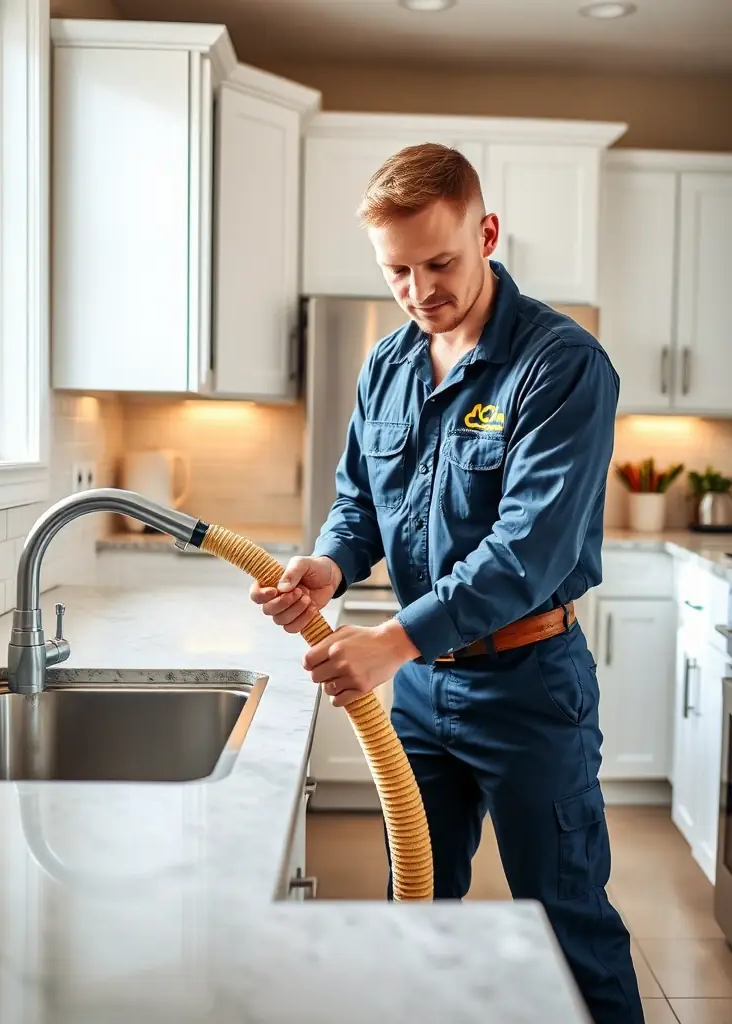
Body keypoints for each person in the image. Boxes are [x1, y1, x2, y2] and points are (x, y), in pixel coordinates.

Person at [249, 143, 643, 1024]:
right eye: (398, 270)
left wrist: (389, 642)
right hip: (424, 688)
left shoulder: (560, 365)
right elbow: (358, 504)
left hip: (530, 687)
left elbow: (523, 554)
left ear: (487, 233)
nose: (421, 290)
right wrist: (328, 563)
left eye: (441, 262)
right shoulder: (388, 364)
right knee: (416, 906)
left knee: (566, 922)